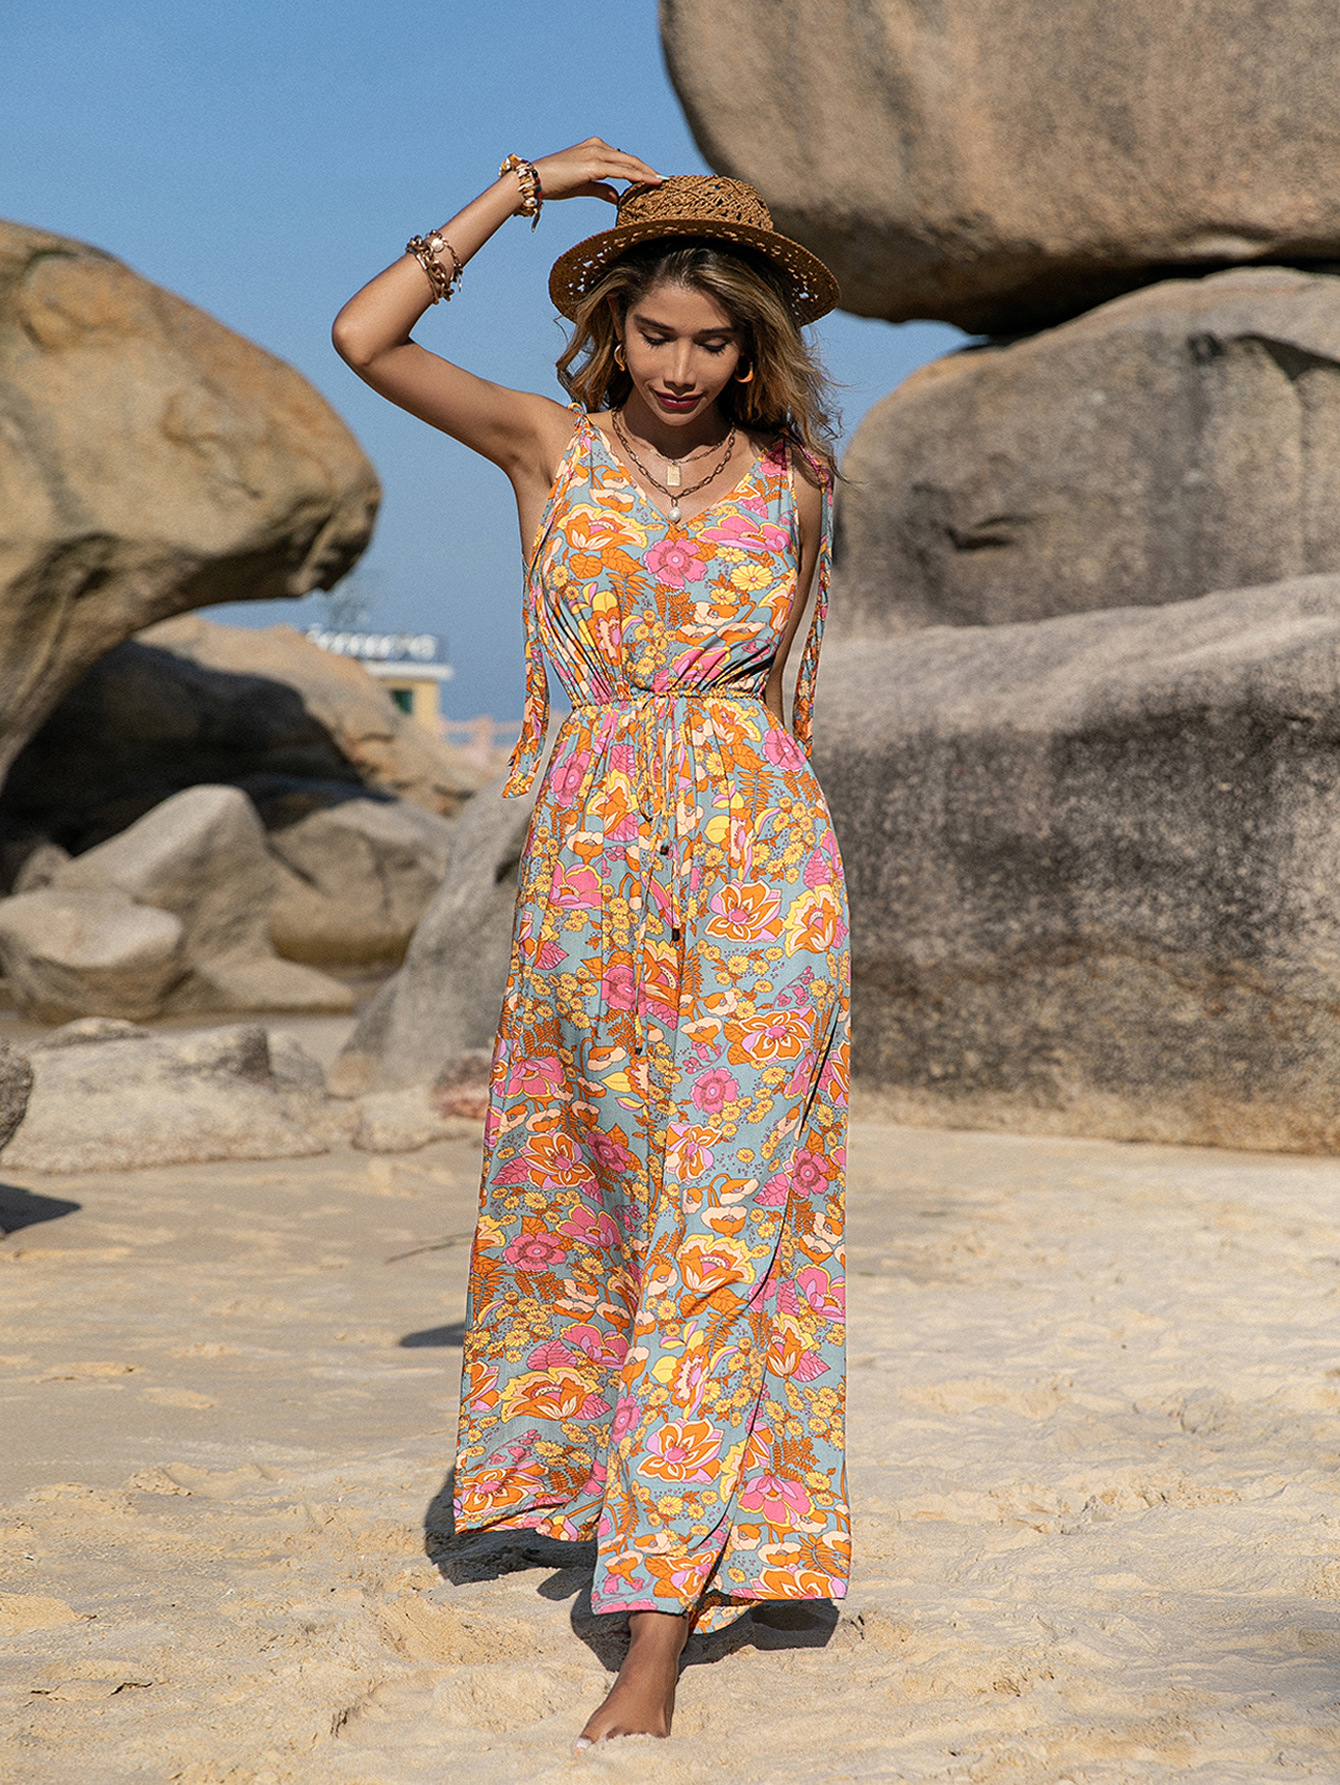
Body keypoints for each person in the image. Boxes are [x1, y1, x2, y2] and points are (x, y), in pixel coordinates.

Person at [333, 139, 850, 1752]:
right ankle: (746, 1537)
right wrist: (522, 189)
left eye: (714, 341)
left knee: (722, 1231)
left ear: (754, 349)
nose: (682, 368)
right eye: (656, 335)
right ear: (612, 330)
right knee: (622, 1214)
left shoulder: (800, 483)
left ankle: (653, 1635)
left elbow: (785, 704)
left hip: (765, 875)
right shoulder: (547, 450)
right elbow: (363, 337)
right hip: (595, 886)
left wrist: (763, 863)